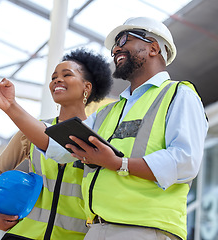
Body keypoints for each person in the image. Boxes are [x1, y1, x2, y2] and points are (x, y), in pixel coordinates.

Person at [61, 17, 208, 240]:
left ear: (153, 48)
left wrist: (119, 164)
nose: (116, 48)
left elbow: (185, 161)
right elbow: (56, 148)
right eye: (114, 45)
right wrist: (10, 107)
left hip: (146, 230)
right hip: (96, 229)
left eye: (123, 39)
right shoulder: (108, 112)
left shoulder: (179, 95)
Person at [0, 48, 113, 240]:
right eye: (54, 77)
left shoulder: (101, 137)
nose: (57, 80)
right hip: (23, 235)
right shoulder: (30, 132)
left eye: (67, 74)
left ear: (87, 87)